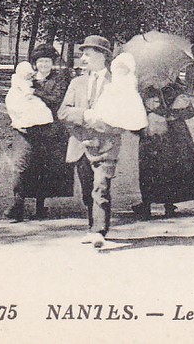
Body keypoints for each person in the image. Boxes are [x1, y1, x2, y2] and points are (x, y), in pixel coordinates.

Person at [58, 35, 123, 248]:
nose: (83, 58)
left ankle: (99, 231)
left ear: (102, 55)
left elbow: (124, 118)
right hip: (80, 145)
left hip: (106, 146)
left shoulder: (117, 83)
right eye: (83, 53)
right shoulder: (77, 83)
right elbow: (63, 112)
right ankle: (92, 226)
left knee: (101, 186)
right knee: (88, 190)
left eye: (88, 53)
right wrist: (85, 115)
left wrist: (100, 123)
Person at [132, 66, 194, 221]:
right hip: (151, 135)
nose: (156, 77)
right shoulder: (143, 91)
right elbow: (134, 114)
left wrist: (174, 111)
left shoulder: (176, 88)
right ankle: (147, 204)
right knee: (148, 169)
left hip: (174, 136)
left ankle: (169, 204)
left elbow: (189, 112)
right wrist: (148, 112)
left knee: (172, 169)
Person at [3, 45, 73, 222]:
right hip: (25, 130)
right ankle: (17, 204)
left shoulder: (59, 80)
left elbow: (57, 99)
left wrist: (35, 91)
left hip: (49, 131)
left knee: (43, 168)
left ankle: (40, 207)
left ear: (52, 63)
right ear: (34, 63)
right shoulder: (26, 78)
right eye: (40, 61)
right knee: (21, 166)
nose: (44, 65)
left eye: (47, 61)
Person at [91, 52, 149, 131]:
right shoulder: (110, 86)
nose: (120, 70)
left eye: (123, 68)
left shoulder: (131, 88)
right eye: (117, 68)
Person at [5, 61, 55, 132]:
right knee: (27, 109)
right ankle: (24, 124)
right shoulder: (21, 82)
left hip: (18, 97)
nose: (29, 77)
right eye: (28, 75)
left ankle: (39, 122)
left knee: (36, 107)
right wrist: (28, 94)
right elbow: (26, 90)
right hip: (19, 98)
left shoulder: (19, 79)